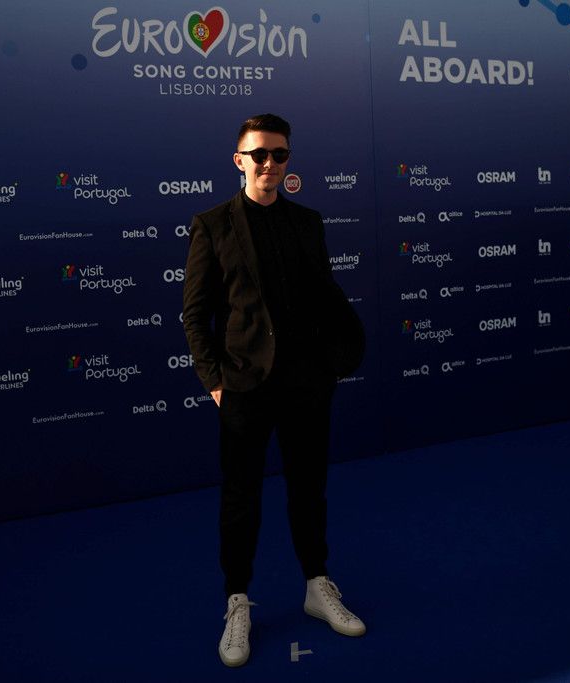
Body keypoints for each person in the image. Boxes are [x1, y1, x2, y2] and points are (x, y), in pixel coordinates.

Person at [182, 113, 366, 668]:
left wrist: (336, 361)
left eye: (279, 154)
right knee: (241, 498)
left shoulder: (307, 221)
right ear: (238, 161)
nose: (269, 163)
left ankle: (317, 586)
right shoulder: (212, 224)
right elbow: (195, 314)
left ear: (288, 161)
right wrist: (215, 382)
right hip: (244, 386)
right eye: (259, 154)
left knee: (309, 490)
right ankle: (237, 601)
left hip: (307, 384)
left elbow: (326, 296)